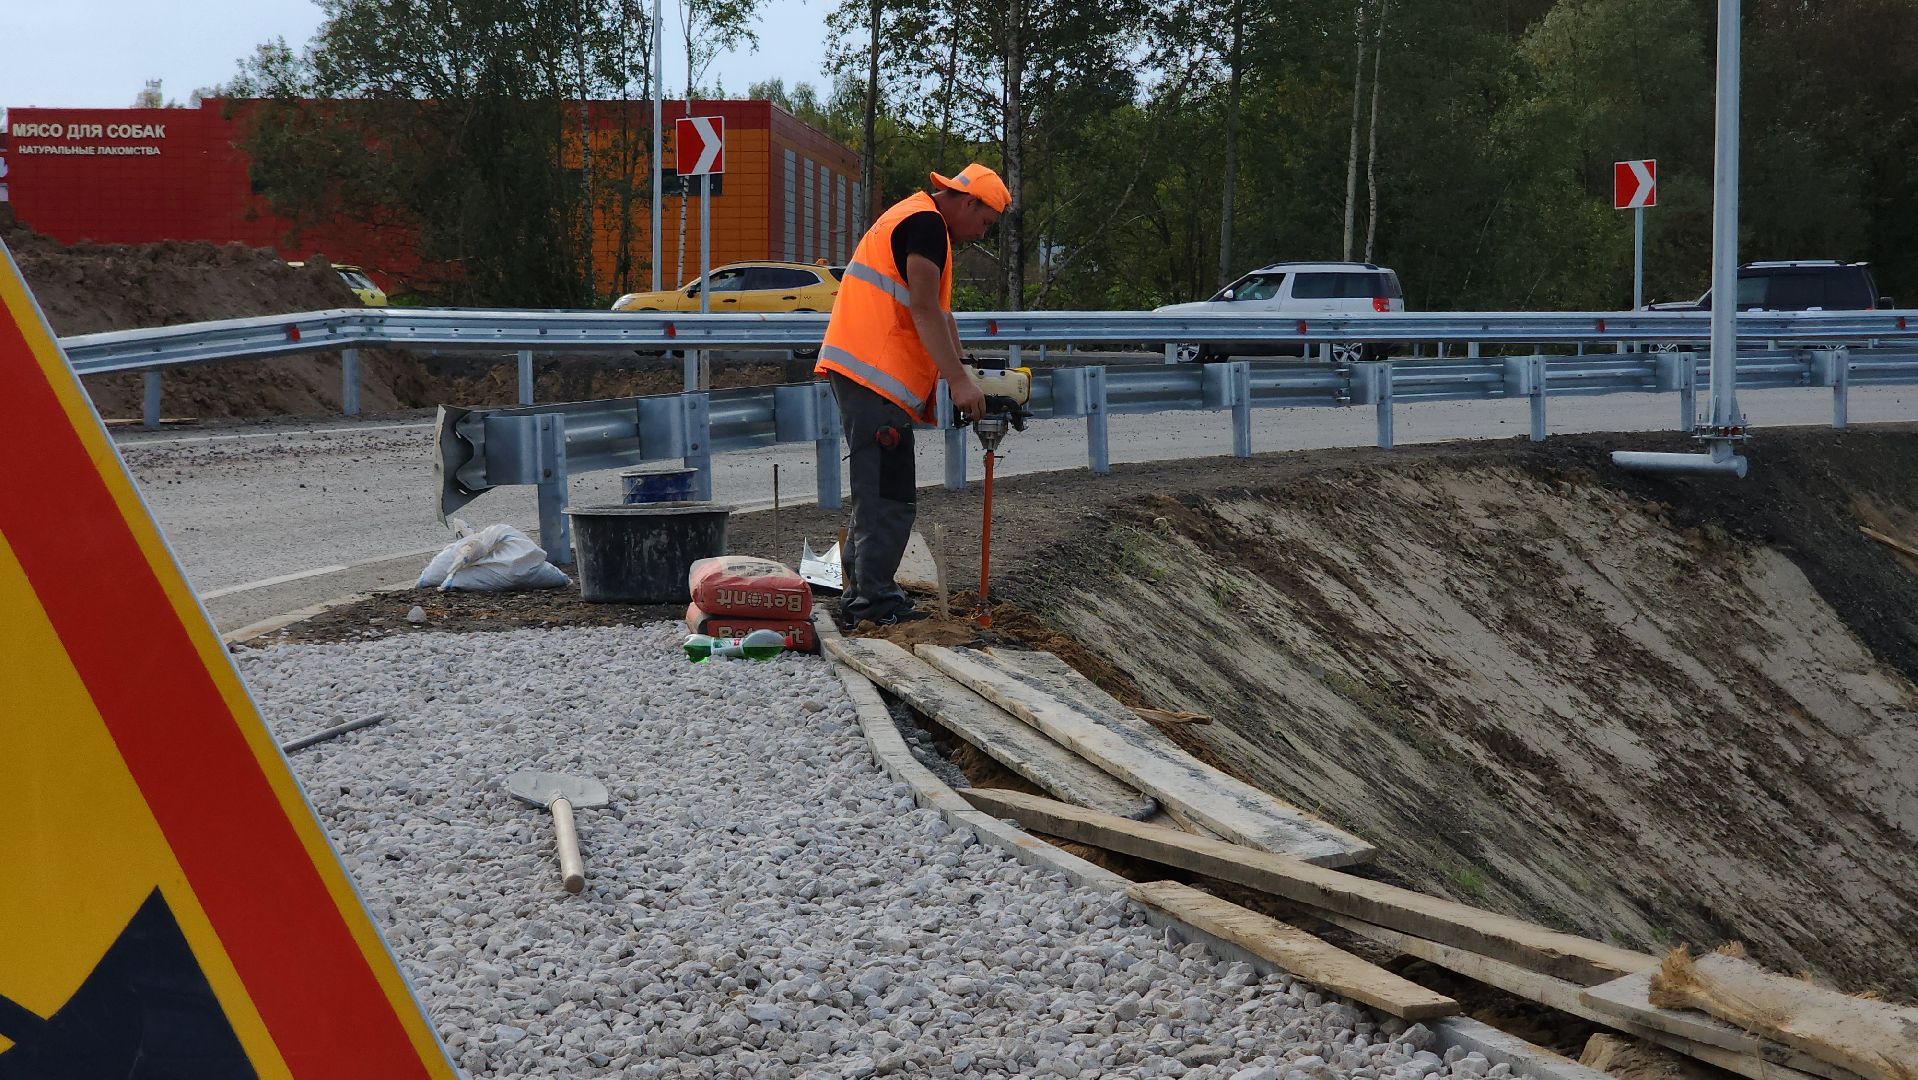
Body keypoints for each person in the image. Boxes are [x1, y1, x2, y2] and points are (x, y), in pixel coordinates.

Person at [815, 163, 1009, 625]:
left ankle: (866, 590)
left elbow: (940, 315)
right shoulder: (925, 226)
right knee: (888, 493)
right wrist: (959, 383)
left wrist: (962, 369)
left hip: (867, 373)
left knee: (878, 487)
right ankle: (873, 603)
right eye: (983, 223)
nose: (980, 234)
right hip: (872, 373)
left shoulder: (919, 219)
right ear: (968, 202)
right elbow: (922, 308)